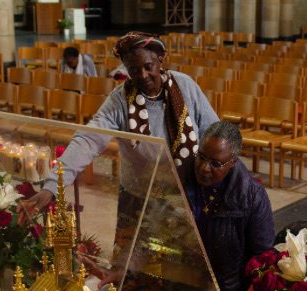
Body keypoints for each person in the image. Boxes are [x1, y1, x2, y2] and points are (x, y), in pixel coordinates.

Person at [20, 32, 219, 221]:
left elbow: (214, 132)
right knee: (134, 255)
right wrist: (53, 185)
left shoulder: (185, 86)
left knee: (185, 254)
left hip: (186, 190)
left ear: (160, 59)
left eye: (148, 66)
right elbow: (88, 139)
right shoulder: (120, 100)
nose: (142, 75)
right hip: (139, 194)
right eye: (133, 70)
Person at [181, 121, 275, 291]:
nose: (205, 168)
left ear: (232, 162)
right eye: (201, 157)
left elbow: (262, 259)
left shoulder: (251, 196)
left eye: (215, 163)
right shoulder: (181, 179)